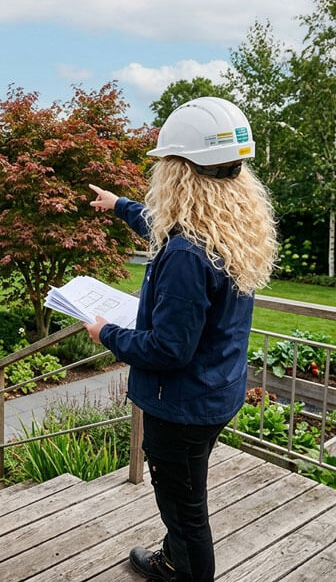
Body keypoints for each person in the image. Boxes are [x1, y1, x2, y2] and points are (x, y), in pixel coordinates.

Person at [85, 97, 277, 582]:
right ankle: (174, 561)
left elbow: (169, 350)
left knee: (185, 510)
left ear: (180, 174)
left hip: (182, 407)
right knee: (186, 495)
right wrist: (118, 206)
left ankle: (185, 569)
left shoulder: (189, 255)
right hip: (216, 391)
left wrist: (105, 331)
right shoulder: (227, 230)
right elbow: (167, 224)